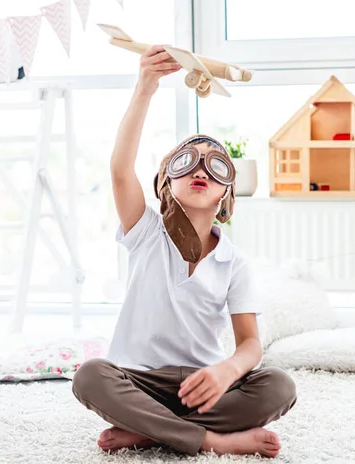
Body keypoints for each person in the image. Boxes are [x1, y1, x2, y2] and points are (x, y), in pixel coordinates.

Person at [72, 44, 297, 458]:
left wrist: (225, 371)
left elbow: (250, 344)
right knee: (89, 376)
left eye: (215, 165)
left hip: (203, 385)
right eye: (187, 161)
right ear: (165, 183)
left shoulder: (235, 263)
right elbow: (120, 169)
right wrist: (145, 87)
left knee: (279, 387)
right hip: (138, 380)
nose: (199, 169)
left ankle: (151, 430)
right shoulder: (145, 233)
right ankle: (209, 440)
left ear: (225, 198)